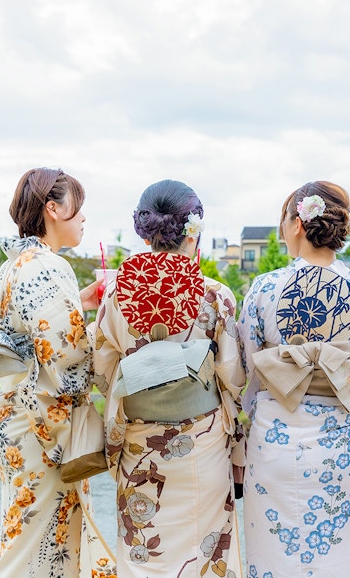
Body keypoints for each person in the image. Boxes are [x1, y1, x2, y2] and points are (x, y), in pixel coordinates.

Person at [0, 168, 115, 578]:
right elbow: (68, 356)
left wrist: (79, 305)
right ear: (53, 208)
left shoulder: (16, 265)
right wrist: (109, 327)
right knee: (37, 545)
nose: (83, 217)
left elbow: (37, 333)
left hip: (18, 416)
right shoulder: (48, 266)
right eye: (77, 207)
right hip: (39, 425)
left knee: (27, 535)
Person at [92, 179, 246, 577]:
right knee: (206, 553)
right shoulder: (215, 295)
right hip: (203, 443)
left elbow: (103, 371)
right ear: (193, 229)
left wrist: (143, 380)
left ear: (145, 230)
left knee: (144, 554)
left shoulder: (115, 295)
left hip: (140, 444)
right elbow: (233, 376)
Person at [237, 180, 350, 577]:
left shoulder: (266, 288)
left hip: (277, 441)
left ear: (297, 225)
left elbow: (246, 368)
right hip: (341, 445)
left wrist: (251, 408)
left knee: (275, 557)